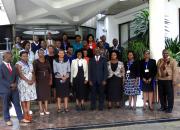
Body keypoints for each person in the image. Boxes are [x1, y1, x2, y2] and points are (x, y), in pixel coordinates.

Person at [0, 51, 30, 126]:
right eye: (10, 56)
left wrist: (15, 83)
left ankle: (21, 118)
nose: (12, 57)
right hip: (5, 90)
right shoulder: (1, 66)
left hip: (14, 89)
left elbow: (17, 75)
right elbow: (1, 79)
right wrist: (10, 85)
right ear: (5, 57)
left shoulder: (13, 65)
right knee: (6, 105)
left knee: (17, 104)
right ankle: (7, 119)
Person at [16, 51, 37, 122]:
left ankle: (28, 112)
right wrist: (27, 80)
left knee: (28, 98)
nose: (25, 57)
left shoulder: (30, 63)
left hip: (31, 83)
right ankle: (25, 114)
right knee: (23, 98)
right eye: (24, 56)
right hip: (23, 83)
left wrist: (33, 80)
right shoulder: (18, 64)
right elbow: (20, 74)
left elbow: (33, 73)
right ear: (20, 57)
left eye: (26, 56)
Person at [33, 48, 52, 116]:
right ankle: (41, 109)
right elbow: (33, 73)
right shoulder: (35, 61)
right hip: (39, 80)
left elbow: (50, 72)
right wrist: (34, 81)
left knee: (46, 94)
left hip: (46, 80)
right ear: (38, 54)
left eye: (42, 53)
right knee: (40, 95)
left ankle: (46, 108)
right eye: (40, 53)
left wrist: (50, 80)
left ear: (44, 53)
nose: (41, 54)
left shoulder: (47, 61)